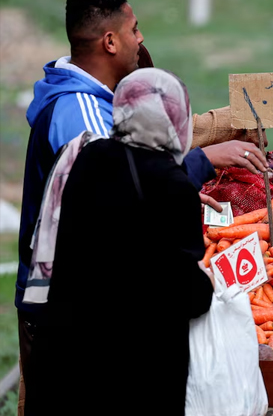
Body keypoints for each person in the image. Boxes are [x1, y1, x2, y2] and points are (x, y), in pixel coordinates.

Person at [16, 0, 273, 412]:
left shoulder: (107, 108)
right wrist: (193, 171)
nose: (141, 39)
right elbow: (127, 206)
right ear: (110, 40)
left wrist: (225, 133)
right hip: (86, 328)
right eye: (134, 29)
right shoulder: (80, 117)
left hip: (81, 324)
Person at [25, 68, 214, 415]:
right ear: (177, 119)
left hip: (64, 365)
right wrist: (208, 279)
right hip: (132, 378)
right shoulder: (173, 185)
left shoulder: (85, 158)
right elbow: (188, 296)